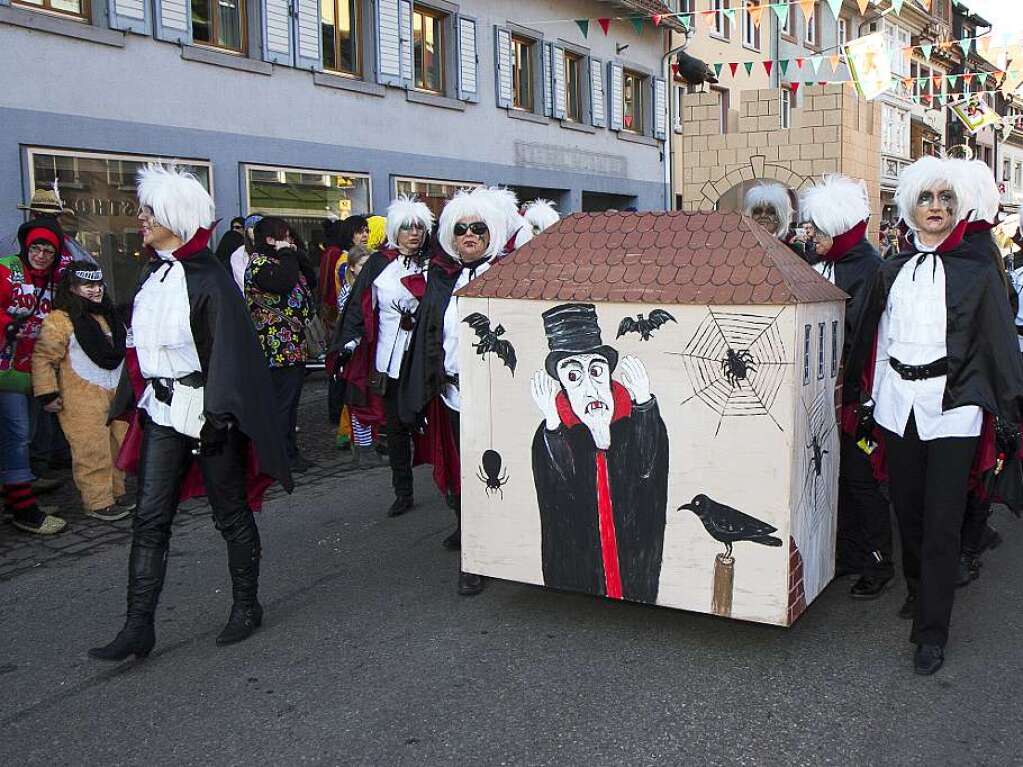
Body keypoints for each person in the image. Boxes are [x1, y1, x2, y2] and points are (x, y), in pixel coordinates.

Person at [89, 164, 292, 661]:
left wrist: (219, 416)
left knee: (229, 512)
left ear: (176, 218)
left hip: (207, 411)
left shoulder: (209, 279)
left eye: (150, 212)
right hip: (160, 409)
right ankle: (138, 626)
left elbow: (230, 353)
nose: (141, 218)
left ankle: (246, 606)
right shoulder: (152, 274)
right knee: (150, 518)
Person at [845, 156, 1023, 675]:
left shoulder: (978, 271)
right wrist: (869, 401)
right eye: (927, 198)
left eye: (946, 198)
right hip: (899, 406)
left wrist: (1008, 414)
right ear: (911, 207)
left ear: (959, 207)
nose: (937, 207)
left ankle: (932, 631)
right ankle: (921, 593)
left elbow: (997, 344)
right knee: (911, 513)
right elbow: (876, 341)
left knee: (943, 519)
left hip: (954, 409)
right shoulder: (891, 270)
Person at [399, 188, 509, 596]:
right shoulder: (441, 280)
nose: (469, 236)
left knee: (495, 473)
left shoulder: (509, 275)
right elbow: (430, 337)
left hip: (498, 397)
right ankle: (471, 548)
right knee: (463, 475)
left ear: (490, 233)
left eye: (478, 229)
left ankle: (495, 547)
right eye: (461, 229)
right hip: (453, 394)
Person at [530, 304, 669, 603]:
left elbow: (649, 466)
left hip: (632, 562)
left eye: (596, 371)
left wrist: (644, 402)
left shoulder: (633, 421)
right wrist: (553, 425)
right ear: (563, 386)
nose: (591, 387)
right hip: (582, 564)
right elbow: (558, 491)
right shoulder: (555, 431)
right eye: (574, 376)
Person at [798, 174, 891, 599]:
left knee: (860, 479)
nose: (808, 234)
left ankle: (877, 560)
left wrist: (863, 398)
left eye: (815, 227)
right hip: (821, 388)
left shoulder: (871, 270)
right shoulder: (816, 263)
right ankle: (847, 552)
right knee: (831, 476)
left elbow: (869, 339)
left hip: (856, 393)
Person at [333, 196, 434, 513]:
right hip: (386, 362)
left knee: (434, 428)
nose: (413, 233)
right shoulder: (379, 263)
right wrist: (348, 343)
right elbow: (358, 308)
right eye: (406, 227)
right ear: (395, 231)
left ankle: (452, 493)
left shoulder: (436, 266)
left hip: (423, 363)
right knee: (396, 430)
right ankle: (403, 492)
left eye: (419, 227)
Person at [31, 261, 132, 522]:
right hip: (81, 398)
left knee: (118, 445)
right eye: (88, 285)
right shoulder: (59, 320)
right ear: (73, 288)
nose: (96, 290)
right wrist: (48, 393)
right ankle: (98, 502)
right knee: (91, 449)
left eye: (99, 284)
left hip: (115, 392)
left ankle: (116, 493)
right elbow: (44, 358)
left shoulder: (109, 315)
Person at [1, 219, 70, 535]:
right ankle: (23, 509)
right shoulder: (8, 270)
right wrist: (6, 323)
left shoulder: (55, 281)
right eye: (36, 248)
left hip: (33, 370)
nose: (41, 254)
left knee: (23, 437)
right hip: (6, 369)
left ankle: (17, 497)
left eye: (48, 250)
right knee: (17, 434)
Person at [245, 216, 317, 474]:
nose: (289, 241)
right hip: (276, 348)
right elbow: (283, 283)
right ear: (269, 239)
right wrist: (287, 254)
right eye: (284, 236)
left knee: (290, 402)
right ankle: (279, 456)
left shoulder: (283, 260)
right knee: (281, 405)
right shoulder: (260, 264)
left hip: (293, 345)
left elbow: (310, 279)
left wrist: (297, 256)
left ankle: (288, 451)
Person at [335, 244, 376, 464]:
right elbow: (351, 323)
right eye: (362, 265)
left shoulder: (371, 287)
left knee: (371, 397)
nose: (367, 268)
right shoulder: (349, 292)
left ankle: (370, 442)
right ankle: (363, 446)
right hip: (356, 352)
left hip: (369, 351)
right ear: (352, 268)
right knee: (358, 398)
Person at [319, 215, 369, 329]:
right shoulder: (345, 261)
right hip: (352, 323)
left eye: (367, 231)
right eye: (359, 232)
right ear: (349, 234)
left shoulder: (355, 256)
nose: (365, 235)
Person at [230, 214, 262, 292]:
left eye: (258, 227)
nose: (255, 230)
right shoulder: (238, 254)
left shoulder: (274, 249)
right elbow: (242, 280)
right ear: (246, 231)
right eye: (251, 227)